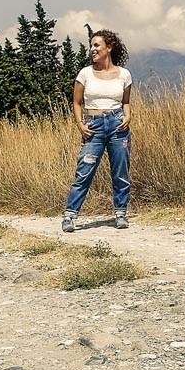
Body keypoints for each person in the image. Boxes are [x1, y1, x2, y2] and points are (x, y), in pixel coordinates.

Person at [62, 29, 133, 232]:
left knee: (120, 172)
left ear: (109, 47)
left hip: (118, 125)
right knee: (84, 172)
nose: (92, 50)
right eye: (91, 46)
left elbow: (125, 102)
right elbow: (76, 103)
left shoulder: (124, 75)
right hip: (93, 127)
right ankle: (70, 216)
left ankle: (120, 214)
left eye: (96, 45)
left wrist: (127, 116)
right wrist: (80, 123)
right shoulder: (85, 74)